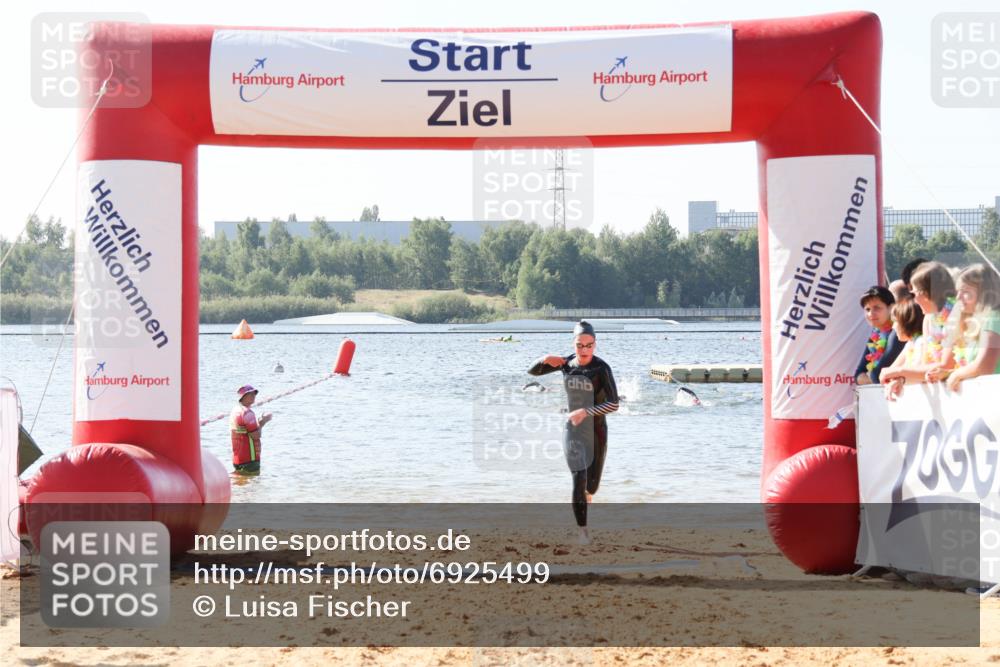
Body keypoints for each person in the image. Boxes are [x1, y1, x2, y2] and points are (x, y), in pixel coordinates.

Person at [528, 321, 619, 545]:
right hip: (573, 431)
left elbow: (614, 404)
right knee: (578, 478)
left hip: (597, 431)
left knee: (592, 486)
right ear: (574, 344)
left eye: (589, 345)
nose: (584, 350)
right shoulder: (566, 364)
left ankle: (588, 496)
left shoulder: (601, 368)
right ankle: (583, 532)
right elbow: (533, 371)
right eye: (580, 345)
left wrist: (586, 412)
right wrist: (543, 359)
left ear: (595, 345)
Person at [882, 261, 957, 398]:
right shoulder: (928, 319)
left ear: (929, 293)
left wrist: (900, 371)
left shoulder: (957, 314)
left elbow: (945, 365)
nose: (914, 300)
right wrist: (901, 379)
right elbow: (925, 367)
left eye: (915, 293)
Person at [937, 264, 1000, 392]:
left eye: (965, 291)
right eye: (958, 291)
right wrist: (950, 373)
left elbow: (985, 367)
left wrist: (955, 374)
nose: (958, 297)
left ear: (985, 292)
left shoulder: (994, 317)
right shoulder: (982, 320)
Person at [853, 286, 904, 385]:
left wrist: (870, 377)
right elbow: (858, 375)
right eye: (867, 309)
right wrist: (873, 377)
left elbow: (877, 374)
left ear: (891, 308)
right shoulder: (875, 334)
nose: (871, 313)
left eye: (876, 308)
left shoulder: (898, 332)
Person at [230, 384, 273, 473]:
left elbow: (243, 430)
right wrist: (263, 422)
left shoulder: (235, 411)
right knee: (252, 483)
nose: (254, 396)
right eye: (250, 394)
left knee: (242, 483)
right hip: (250, 459)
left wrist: (258, 423)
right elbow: (255, 435)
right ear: (243, 397)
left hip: (238, 458)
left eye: (254, 394)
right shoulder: (247, 413)